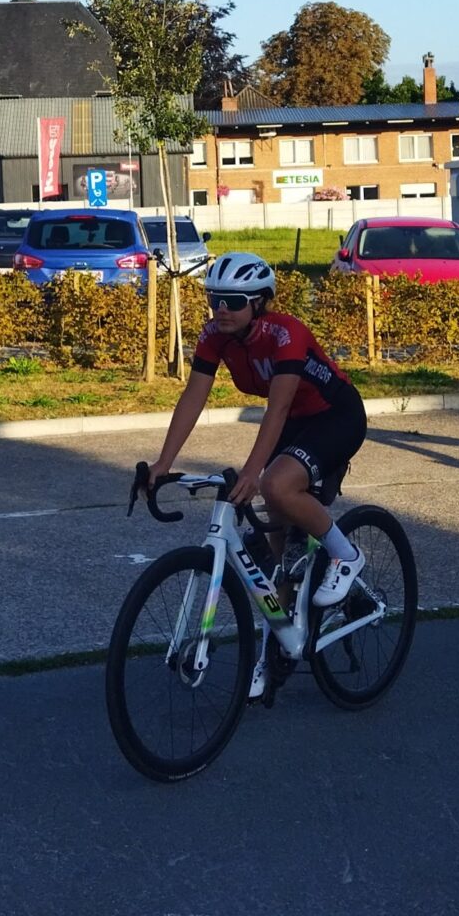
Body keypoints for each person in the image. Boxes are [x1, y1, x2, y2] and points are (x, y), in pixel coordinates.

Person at [142, 252, 371, 670]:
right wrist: (163, 462)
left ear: (260, 303)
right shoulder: (215, 335)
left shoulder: (286, 334)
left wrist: (252, 473)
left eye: (233, 301)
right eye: (214, 300)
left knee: (274, 486)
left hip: (336, 416)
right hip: (297, 420)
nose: (221, 309)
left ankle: (346, 556)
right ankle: (282, 641)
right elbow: (193, 396)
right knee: (278, 548)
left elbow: (277, 409)